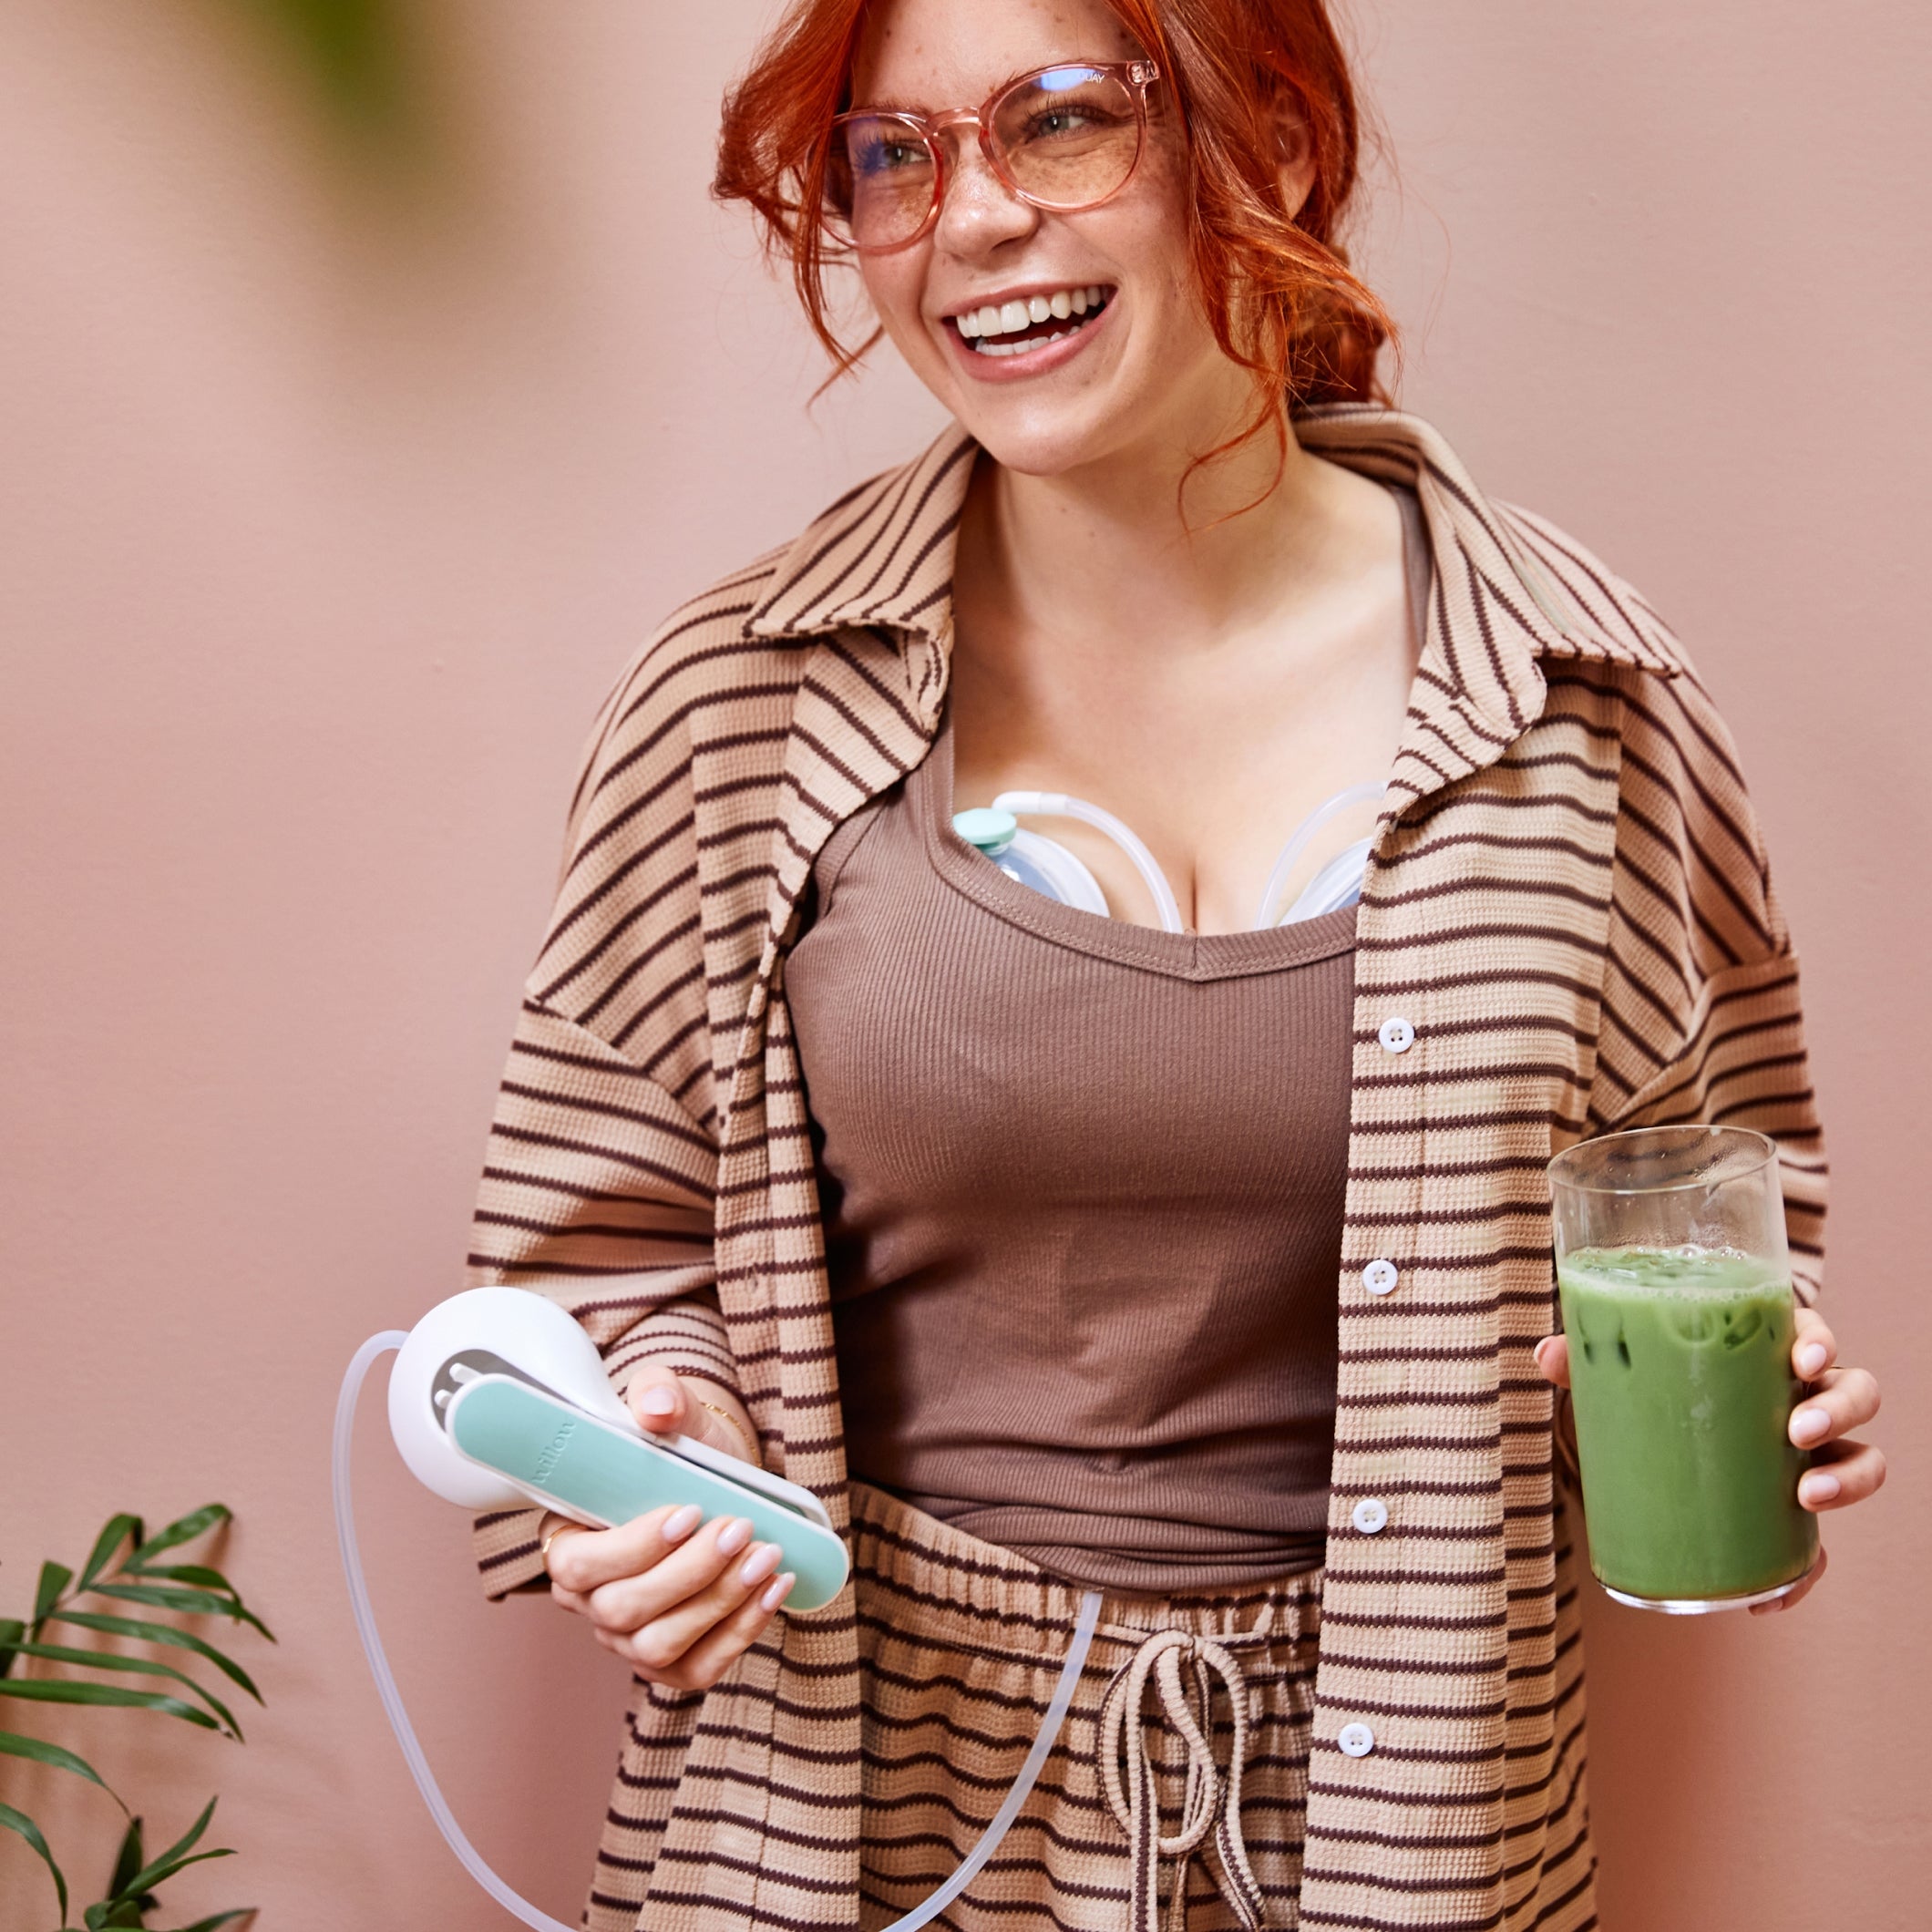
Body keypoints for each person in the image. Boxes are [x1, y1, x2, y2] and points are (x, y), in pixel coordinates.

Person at [462, 0, 1886, 1927]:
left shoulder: (1581, 707)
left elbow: (1709, 1214)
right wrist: (660, 1443)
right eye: (892, 156)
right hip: (856, 1815)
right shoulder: (742, 706)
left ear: (1277, 140)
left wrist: (1752, 1416)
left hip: (1410, 1821)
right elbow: (594, 1261)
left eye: (1058, 122)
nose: (972, 219)